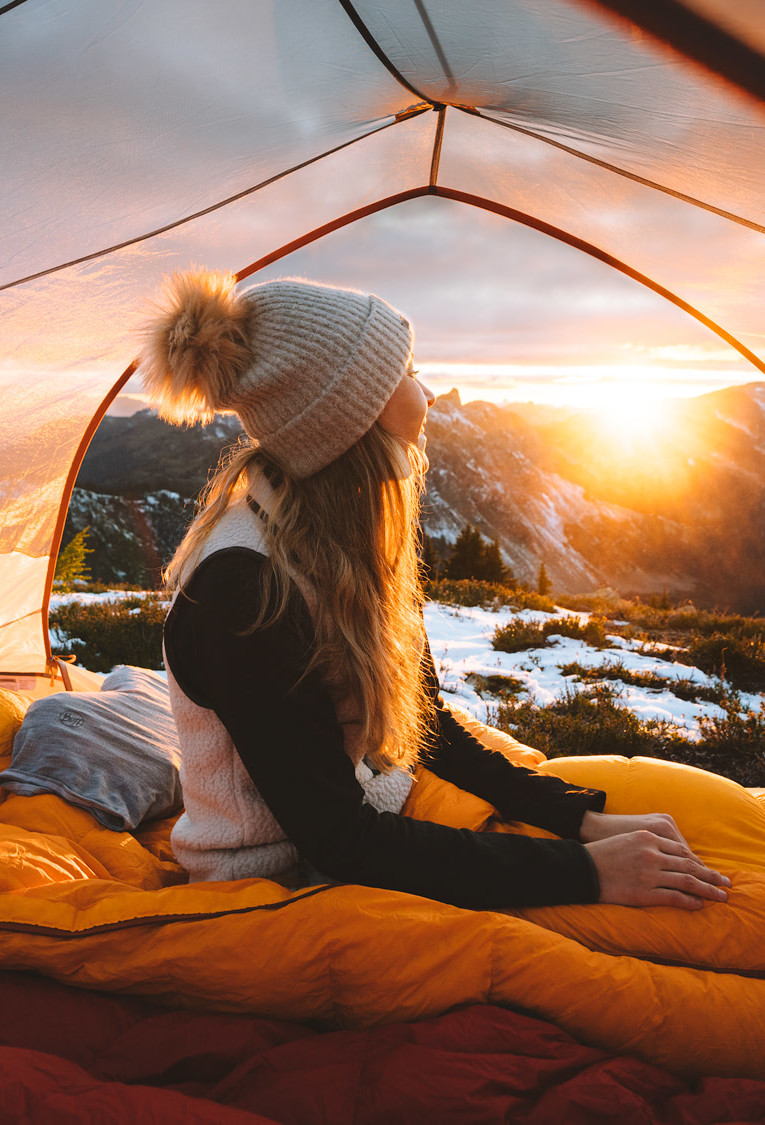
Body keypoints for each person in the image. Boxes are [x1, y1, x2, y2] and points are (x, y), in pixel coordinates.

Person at [140, 269, 731, 913]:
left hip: (369, 821)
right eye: (408, 369)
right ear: (349, 416)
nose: (426, 389)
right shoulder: (243, 588)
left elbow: (428, 726)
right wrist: (587, 872)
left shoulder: (339, 537)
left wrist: (579, 820)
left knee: (681, 813)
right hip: (276, 885)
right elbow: (340, 839)